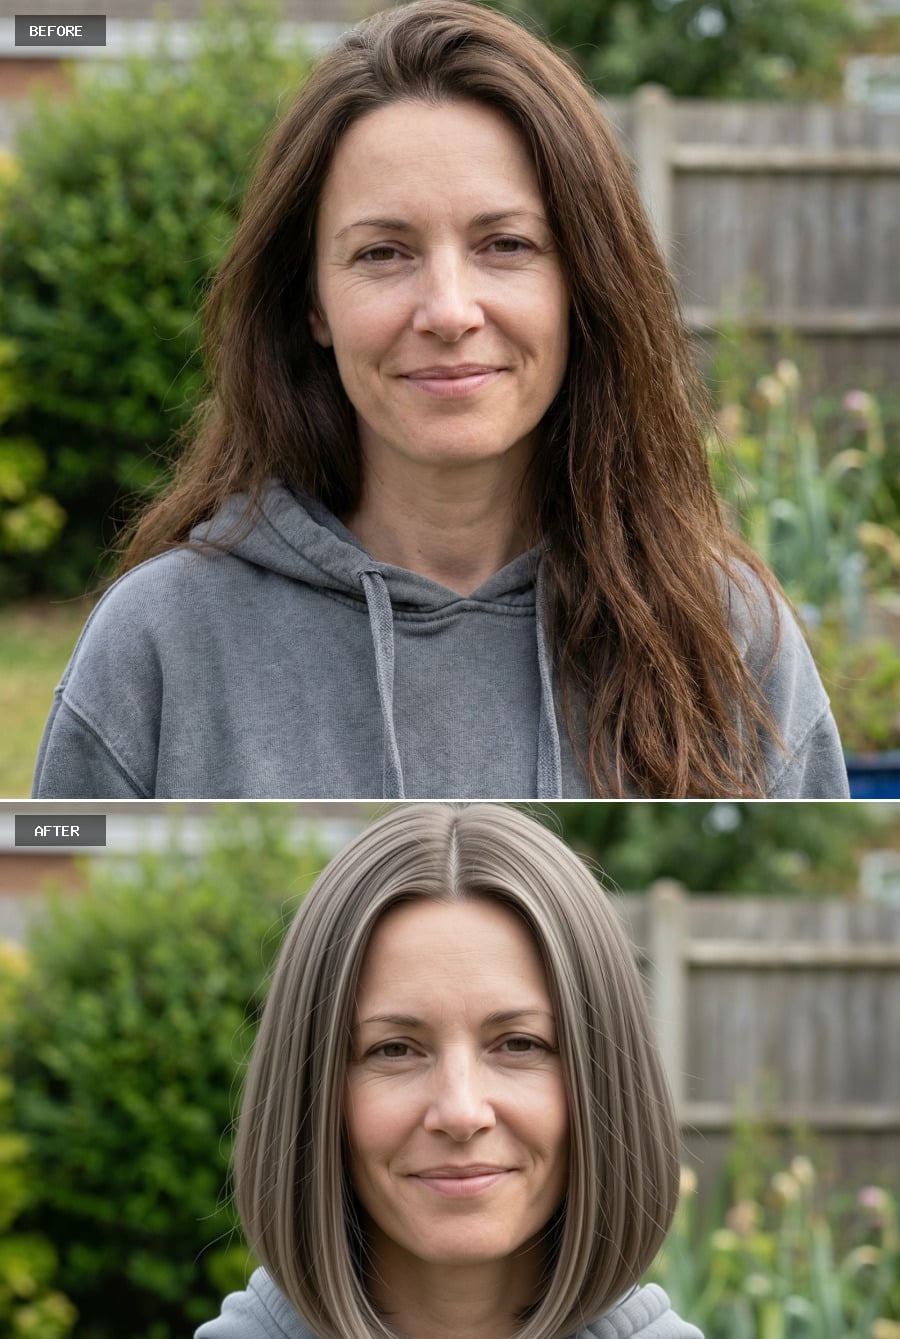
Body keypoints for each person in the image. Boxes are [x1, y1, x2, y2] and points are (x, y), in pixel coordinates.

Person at [37, 803, 860, 1339]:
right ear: (315, 1090)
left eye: (520, 1045)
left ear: (601, 1084)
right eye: (394, 1048)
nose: (461, 1110)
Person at [32, 1, 847, 801]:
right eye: (383, 252)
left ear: (583, 285)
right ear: (312, 301)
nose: (450, 311)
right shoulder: (160, 642)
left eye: (507, 245)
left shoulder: (730, 636)